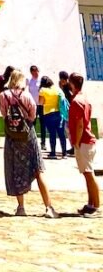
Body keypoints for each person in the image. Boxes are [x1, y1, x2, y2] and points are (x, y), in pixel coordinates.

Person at [0, 69, 57, 218]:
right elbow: (32, 115)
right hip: (28, 135)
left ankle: (21, 207)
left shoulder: (4, 96)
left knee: (16, 170)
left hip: (12, 136)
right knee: (38, 170)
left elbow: (4, 114)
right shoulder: (26, 96)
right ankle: (48, 207)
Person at [67, 72, 100, 218]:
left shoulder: (76, 101)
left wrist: (77, 142)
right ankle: (91, 203)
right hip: (87, 141)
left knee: (89, 173)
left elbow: (80, 125)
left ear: (72, 84)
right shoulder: (84, 99)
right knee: (87, 174)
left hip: (84, 141)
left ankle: (96, 205)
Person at [38, 75, 63, 158]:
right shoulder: (57, 89)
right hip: (58, 112)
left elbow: (41, 102)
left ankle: (53, 152)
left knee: (52, 134)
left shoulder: (42, 90)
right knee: (61, 134)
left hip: (48, 113)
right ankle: (64, 153)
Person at [28, 65, 46, 149]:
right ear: (31, 72)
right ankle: (33, 141)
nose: (36, 73)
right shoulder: (29, 81)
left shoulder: (42, 81)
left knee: (43, 124)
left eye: (37, 71)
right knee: (32, 124)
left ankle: (43, 143)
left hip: (41, 105)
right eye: (34, 71)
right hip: (33, 105)